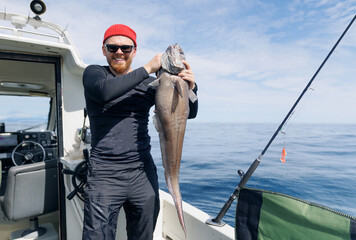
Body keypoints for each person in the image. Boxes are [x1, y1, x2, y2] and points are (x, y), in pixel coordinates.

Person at [82, 24, 198, 240]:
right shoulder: (95, 74)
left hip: (141, 173)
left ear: (134, 51)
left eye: (126, 48)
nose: (119, 52)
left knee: (143, 236)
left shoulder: (149, 84)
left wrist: (191, 87)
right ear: (103, 50)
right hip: (104, 175)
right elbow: (104, 93)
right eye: (112, 47)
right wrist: (147, 68)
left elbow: (189, 114)